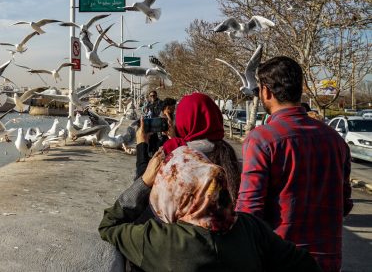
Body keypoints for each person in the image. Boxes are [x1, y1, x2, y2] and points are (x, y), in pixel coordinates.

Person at [99, 144, 322, 272]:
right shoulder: (249, 227)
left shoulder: (162, 240)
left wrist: (144, 182)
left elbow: (110, 224)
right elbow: (305, 264)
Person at [235, 56, 353, 272]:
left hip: (281, 258)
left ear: (267, 92)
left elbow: (249, 211)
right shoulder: (335, 140)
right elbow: (344, 204)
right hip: (328, 260)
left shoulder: (262, 139)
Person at [135, 97, 177, 178]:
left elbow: (142, 177)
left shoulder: (173, 118)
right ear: (167, 107)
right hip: (158, 146)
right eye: (173, 107)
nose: (174, 109)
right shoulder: (159, 119)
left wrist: (141, 144)